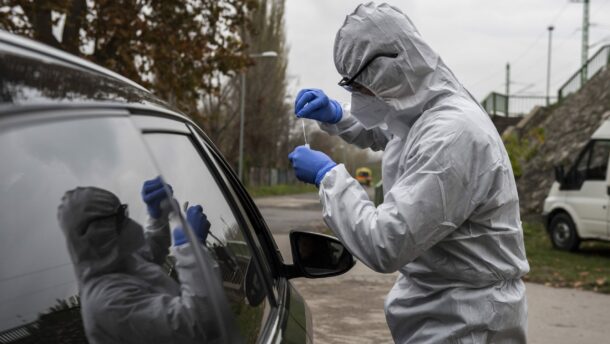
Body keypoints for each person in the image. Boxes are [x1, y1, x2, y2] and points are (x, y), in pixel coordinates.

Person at [288, 3, 529, 343]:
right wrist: (335, 115)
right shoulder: (427, 107)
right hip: (443, 309)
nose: (357, 95)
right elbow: (391, 129)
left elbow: (384, 242)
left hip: (466, 323)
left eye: (358, 86)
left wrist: (328, 177)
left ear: (388, 71)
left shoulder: (452, 135)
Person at [57, 178, 216, 344]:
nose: (129, 222)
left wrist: (157, 215)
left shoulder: (116, 262)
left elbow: (148, 254)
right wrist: (191, 248)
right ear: (97, 233)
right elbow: (195, 324)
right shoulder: (107, 304)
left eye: (124, 211)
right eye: (120, 217)